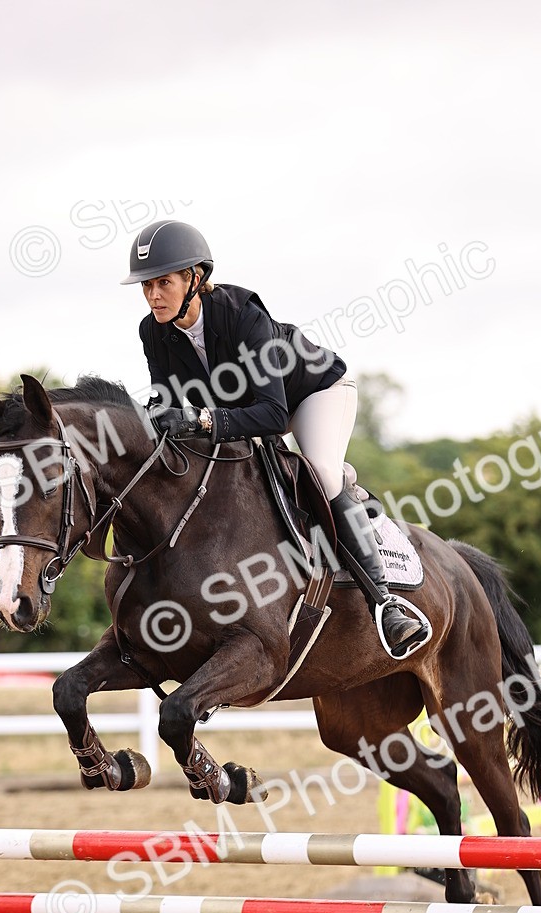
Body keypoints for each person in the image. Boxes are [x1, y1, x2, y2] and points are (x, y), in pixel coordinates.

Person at [121, 220, 431, 658]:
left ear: (195, 278)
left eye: (164, 283)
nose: (154, 295)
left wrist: (201, 420)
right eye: (147, 285)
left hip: (310, 395)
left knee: (321, 472)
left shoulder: (243, 314)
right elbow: (169, 401)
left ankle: (384, 602)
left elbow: (271, 414)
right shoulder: (153, 331)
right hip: (242, 413)